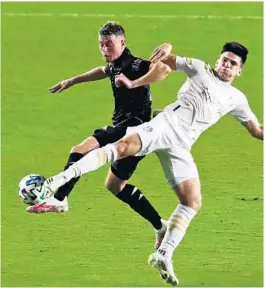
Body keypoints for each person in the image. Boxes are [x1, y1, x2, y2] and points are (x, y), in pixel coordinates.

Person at [32, 41, 263, 286]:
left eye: (233, 64)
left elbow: (257, 130)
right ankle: (57, 181)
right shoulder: (199, 68)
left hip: (181, 145)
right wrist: (167, 49)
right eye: (225, 60)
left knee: (192, 202)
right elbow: (168, 61)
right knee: (120, 148)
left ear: (239, 71)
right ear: (218, 61)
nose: (227, 65)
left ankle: (163, 254)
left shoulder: (237, 99)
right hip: (165, 125)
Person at [27, 21, 172, 249]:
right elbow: (102, 71)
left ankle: (59, 199)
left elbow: (164, 69)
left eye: (109, 44)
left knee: (80, 149)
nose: (105, 49)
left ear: (123, 43)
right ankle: (161, 226)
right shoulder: (114, 64)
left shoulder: (134, 65)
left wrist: (134, 83)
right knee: (115, 186)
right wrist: (72, 81)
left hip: (134, 129)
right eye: (101, 45)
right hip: (128, 133)